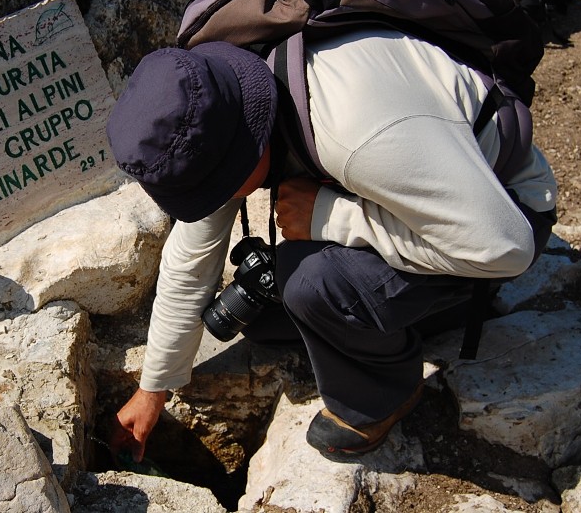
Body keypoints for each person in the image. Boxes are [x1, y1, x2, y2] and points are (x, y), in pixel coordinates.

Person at [104, 28, 557, 461]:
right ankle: (425, 313)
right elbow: (190, 260)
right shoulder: (231, 105)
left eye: (212, 189)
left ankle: (384, 393)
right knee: (262, 315)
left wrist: (329, 216)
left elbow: (505, 248)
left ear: (239, 154)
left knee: (309, 280)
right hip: (427, 199)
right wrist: (153, 388)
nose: (213, 201)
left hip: (506, 209)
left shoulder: (355, 133)